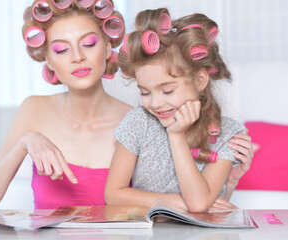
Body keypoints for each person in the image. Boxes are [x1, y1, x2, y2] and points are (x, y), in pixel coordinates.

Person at [0, 1, 252, 210]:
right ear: (48, 59)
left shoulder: (142, 118)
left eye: (88, 43)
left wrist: (228, 184)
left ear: (108, 48)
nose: (77, 57)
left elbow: (194, 197)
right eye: (61, 49)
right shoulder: (33, 110)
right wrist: (25, 142)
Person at [105, 8, 251, 212]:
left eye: (167, 90)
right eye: (145, 93)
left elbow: (198, 204)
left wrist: (176, 136)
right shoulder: (139, 120)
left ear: (200, 80)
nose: (155, 103)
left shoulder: (227, 133)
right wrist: (174, 202)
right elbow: (113, 194)